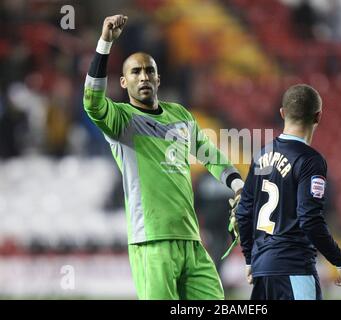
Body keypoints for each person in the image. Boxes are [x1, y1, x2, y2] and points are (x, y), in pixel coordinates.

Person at [83, 15, 244, 300]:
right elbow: (92, 102)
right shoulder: (122, 120)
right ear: (123, 81)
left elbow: (210, 156)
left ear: (158, 78)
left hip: (192, 241)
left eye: (148, 71)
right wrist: (105, 43)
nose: (143, 76)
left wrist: (238, 185)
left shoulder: (180, 115)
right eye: (135, 72)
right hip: (151, 241)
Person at [235, 84, 341, 300]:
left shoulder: (262, 154)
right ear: (318, 117)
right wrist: (340, 261)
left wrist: (250, 260)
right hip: (294, 268)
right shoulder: (311, 161)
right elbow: (310, 219)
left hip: (263, 271)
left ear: (282, 113)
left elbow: (243, 212)